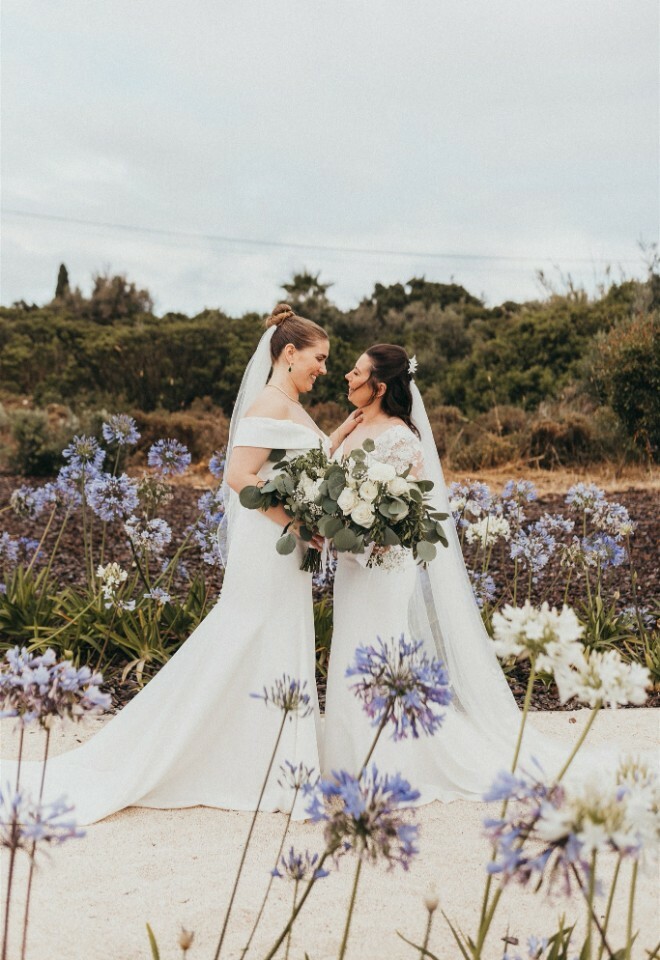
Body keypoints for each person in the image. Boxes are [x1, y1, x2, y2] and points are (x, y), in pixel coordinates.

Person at [1, 304, 359, 824]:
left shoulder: (290, 405)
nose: (324, 369)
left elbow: (305, 460)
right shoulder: (268, 403)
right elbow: (240, 477)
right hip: (269, 545)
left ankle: (279, 764)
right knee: (245, 637)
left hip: (285, 545)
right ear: (288, 353)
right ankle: (208, 757)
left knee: (275, 640)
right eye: (319, 358)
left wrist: (345, 432)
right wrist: (297, 523)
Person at [322, 344, 638, 799]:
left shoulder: (402, 438)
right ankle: (348, 761)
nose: (347, 378)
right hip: (352, 567)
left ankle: (387, 762)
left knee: (380, 652)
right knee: (351, 649)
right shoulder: (352, 426)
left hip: (384, 566)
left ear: (380, 386)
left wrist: (365, 525)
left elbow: (408, 514)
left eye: (356, 373)